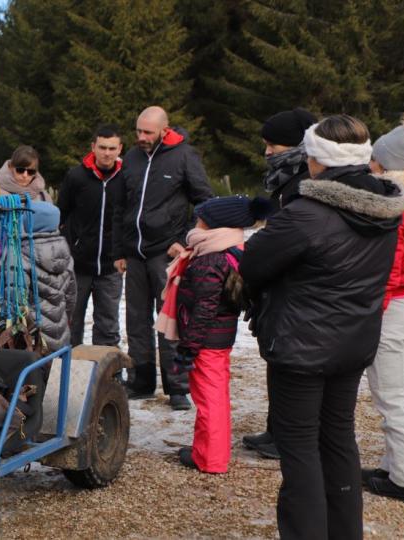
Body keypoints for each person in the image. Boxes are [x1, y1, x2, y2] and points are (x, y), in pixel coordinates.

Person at [240, 115, 404, 539]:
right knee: (338, 441)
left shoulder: (307, 213)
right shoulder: (386, 207)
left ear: (318, 160)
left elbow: (253, 263)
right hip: (353, 341)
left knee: (299, 450)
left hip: (301, 345)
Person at [158, 196, 268, 474]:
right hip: (218, 339)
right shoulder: (228, 251)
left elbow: (204, 309)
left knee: (209, 400)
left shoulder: (211, 259)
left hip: (207, 341)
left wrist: (189, 347)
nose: (196, 222)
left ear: (213, 223)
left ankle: (211, 459)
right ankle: (205, 450)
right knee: (214, 396)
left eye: (201, 217)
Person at [115, 106, 213, 410]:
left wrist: (182, 239)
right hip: (135, 253)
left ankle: (177, 388)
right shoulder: (130, 158)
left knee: (169, 321)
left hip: (165, 253)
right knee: (135, 320)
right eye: (138, 131)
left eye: (148, 132)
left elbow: (205, 201)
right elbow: (121, 206)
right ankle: (141, 381)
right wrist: (120, 249)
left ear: (164, 129)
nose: (141, 137)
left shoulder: (184, 156)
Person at [243, 108, 317, 460]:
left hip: (294, 286)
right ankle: (276, 429)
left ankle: (285, 435)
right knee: (275, 359)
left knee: (289, 365)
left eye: (273, 144)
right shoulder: (284, 177)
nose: (267, 151)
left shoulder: (304, 183)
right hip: (278, 286)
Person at [362, 112, 404, 503]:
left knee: (393, 394)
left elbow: (389, 269)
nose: (370, 165)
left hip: (396, 307)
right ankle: (396, 463)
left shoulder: (396, 209)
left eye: (376, 160)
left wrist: (370, 312)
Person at [57, 124, 125, 347]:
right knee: (71, 322)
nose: (107, 153)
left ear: (119, 149)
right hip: (78, 265)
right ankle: (70, 373)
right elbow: (62, 215)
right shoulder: (76, 176)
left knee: (108, 324)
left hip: (111, 266)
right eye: (102, 147)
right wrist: (69, 248)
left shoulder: (125, 178)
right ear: (93, 147)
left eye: (112, 148)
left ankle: (107, 377)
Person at [0, 145, 51, 299]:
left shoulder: (43, 197)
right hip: (2, 273)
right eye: (20, 169)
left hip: (37, 275)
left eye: (30, 171)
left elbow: (51, 237)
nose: (25, 175)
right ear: (11, 167)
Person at [1, 201, 77, 353]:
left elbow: (15, 300)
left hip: (33, 336)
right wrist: (66, 318)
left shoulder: (20, 253)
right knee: (54, 372)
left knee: (34, 373)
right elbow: (71, 295)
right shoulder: (65, 250)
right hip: (60, 330)